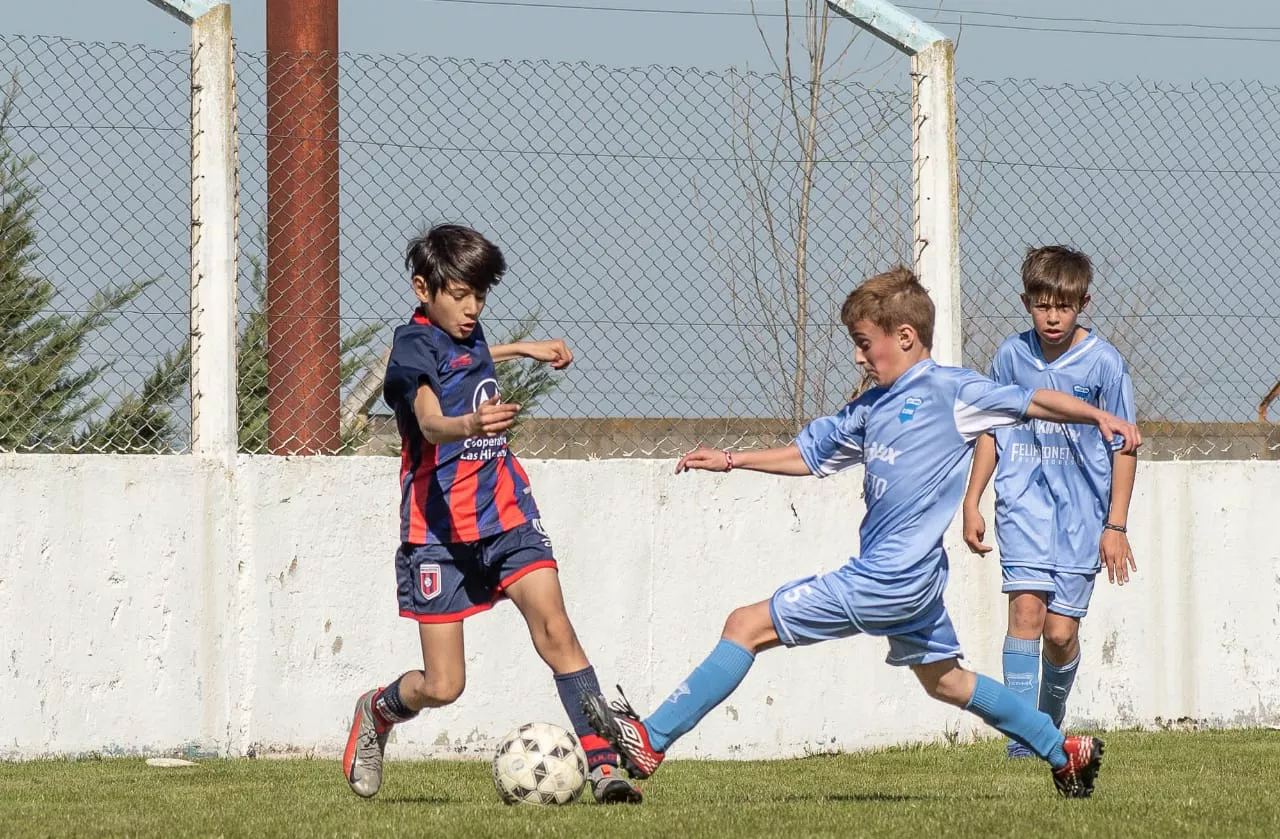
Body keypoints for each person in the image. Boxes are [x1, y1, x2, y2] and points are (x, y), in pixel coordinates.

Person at [583, 267, 1141, 798]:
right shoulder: (871, 407)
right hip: (914, 585)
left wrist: (1098, 418)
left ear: (904, 336)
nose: (858, 356)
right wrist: (731, 460)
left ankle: (652, 740)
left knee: (745, 624)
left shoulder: (953, 392)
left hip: (889, 577)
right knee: (947, 682)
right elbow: (809, 454)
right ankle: (1062, 751)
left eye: (863, 342)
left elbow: (1033, 399)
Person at [343, 224, 641, 804]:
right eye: (460, 295)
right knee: (444, 684)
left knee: (557, 629)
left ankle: (604, 766)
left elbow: (472, 356)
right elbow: (429, 419)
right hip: (438, 533)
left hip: (505, 514)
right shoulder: (410, 347)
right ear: (423, 288)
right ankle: (377, 712)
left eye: (480, 295)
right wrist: (470, 426)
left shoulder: (466, 332)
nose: (473, 308)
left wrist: (523, 349)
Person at [962, 246, 1137, 758]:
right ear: (1026, 302)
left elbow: (1125, 446)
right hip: (1023, 506)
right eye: (1042, 305)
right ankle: (1023, 745)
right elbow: (991, 431)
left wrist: (1116, 525)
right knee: (1026, 615)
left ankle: (1048, 719)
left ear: (1083, 302)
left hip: (1082, 517)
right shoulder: (1010, 358)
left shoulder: (1105, 364)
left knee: (1060, 635)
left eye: (1063, 306)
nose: (1052, 316)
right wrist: (973, 500)